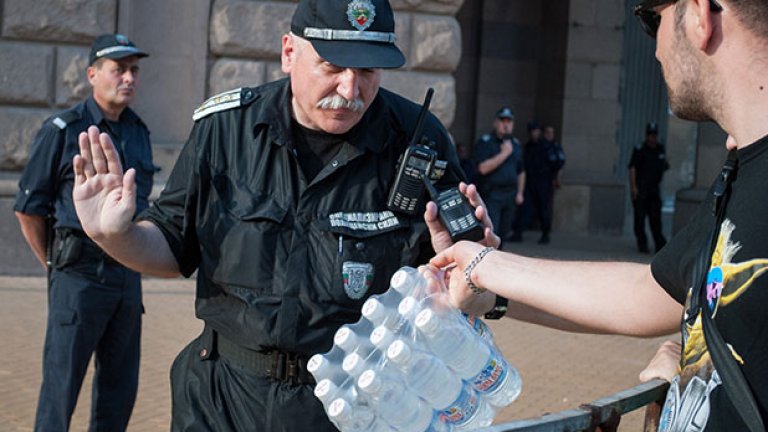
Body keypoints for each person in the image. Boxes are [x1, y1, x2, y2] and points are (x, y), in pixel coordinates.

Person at [70, 0, 497, 430]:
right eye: (332, 66)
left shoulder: (417, 140)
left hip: (354, 404)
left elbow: (461, 282)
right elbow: (172, 246)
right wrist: (114, 235)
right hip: (223, 401)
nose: (351, 91)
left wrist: (479, 280)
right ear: (289, 52)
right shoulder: (226, 130)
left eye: (368, 71)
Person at [431, 0, 768, 430]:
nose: (657, 50)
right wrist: (487, 279)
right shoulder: (738, 175)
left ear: (701, 16)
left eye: (651, 20)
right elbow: (649, 293)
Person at [13, 34, 151, 431]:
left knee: (119, 391)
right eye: (118, 69)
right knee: (60, 392)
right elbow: (28, 209)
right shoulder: (62, 130)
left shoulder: (138, 131)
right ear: (92, 74)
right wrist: (55, 267)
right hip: (78, 276)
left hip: (127, 277)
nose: (128, 78)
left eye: (134, 70)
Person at [474, 106, 525, 241]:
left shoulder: (516, 144)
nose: (506, 124)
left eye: (509, 121)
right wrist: (504, 153)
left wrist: (520, 193)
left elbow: (521, 171)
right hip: (492, 195)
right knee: (491, 231)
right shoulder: (486, 142)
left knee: (504, 232)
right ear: (495, 122)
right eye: (503, 120)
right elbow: (482, 168)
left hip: (510, 195)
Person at [510, 121, 565, 244]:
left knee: (543, 209)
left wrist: (557, 179)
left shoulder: (547, 146)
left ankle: (545, 234)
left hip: (544, 183)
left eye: (536, 131)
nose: (534, 133)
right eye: (531, 131)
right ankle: (518, 233)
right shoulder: (528, 146)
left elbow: (558, 164)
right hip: (530, 182)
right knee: (525, 208)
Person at [629, 122, 670, 253]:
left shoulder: (660, 149)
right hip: (641, 189)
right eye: (650, 135)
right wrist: (634, 187)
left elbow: (664, 165)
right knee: (639, 220)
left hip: (654, 190)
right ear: (647, 135)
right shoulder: (640, 149)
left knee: (655, 220)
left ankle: (660, 245)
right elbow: (632, 168)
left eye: (654, 135)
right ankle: (643, 245)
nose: (652, 137)